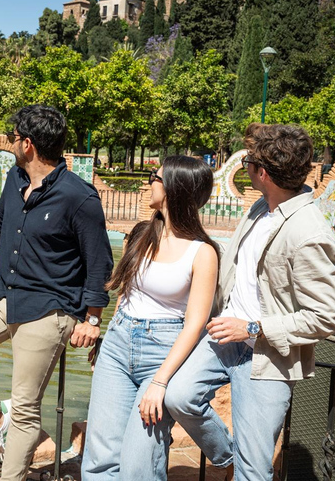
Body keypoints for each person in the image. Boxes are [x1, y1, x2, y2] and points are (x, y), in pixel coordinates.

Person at [0, 105, 113, 481]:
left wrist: (92, 319)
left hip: (49, 309)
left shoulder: (80, 197)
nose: (10, 141)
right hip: (2, 294)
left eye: (13, 137)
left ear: (27, 144)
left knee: (27, 409)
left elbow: (100, 264)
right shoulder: (15, 178)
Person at [164, 123, 335, 481]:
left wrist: (252, 327)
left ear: (262, 172)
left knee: (254, 469)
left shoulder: (309, 232)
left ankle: (241, 464)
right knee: (179, 397)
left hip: (267, 358)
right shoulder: (261, 206)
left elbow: (324, 317)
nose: (245, 166)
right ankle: (225, 457)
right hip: (225, 339)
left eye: (248, 160)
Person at [81, 156, 219, 480]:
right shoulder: (143, 234)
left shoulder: (203, 252)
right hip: (118, 346)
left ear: (173, 187)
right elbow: (127, 294)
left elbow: (195, 324)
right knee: (100, 460)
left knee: (139, 465)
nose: (148, 182)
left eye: (153, 177)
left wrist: (160, 382)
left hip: (162, 356)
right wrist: (107, 334)